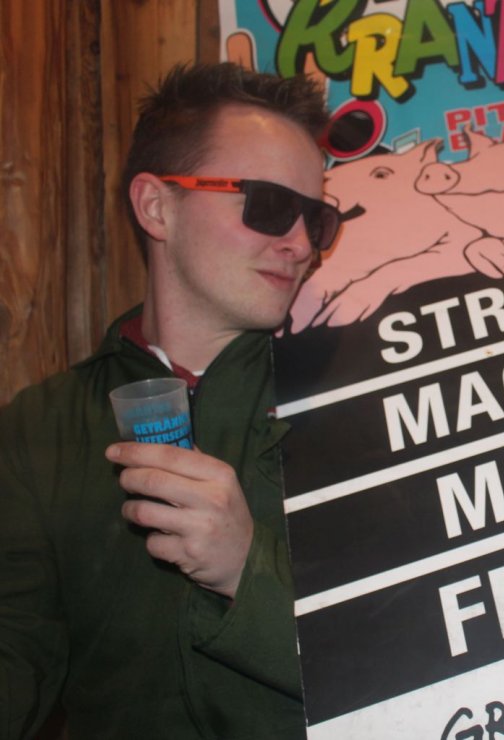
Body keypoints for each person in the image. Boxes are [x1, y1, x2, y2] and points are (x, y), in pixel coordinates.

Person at [0, 63, 339, 738]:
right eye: (268, 204)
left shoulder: (355, 402)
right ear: (157, 206)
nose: (300, 244)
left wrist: (248, 569)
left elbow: (405, 655)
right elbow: (17, 650)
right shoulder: (42, 424)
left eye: (317, 219)